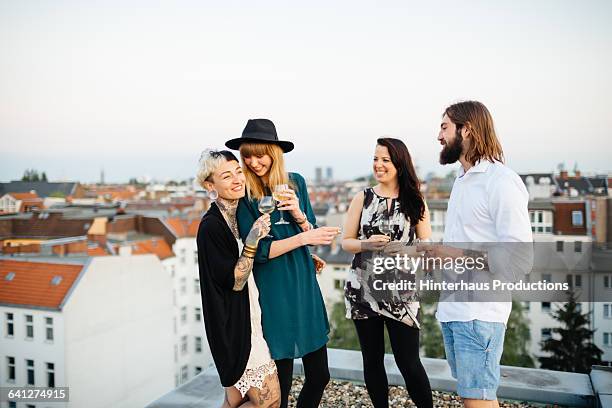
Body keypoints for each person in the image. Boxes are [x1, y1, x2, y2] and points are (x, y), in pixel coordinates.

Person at [226, 118, 340, 408]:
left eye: (259, 154)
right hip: (273, 291)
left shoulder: (296, 182)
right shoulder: (245, 196)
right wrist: (303, 240)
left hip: (303, 286)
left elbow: (310, 231)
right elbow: (260, 251)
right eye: (247, 155)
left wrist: (298, 213)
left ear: (274, 153)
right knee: (283, 383)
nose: (252, 162)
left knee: (319, 375)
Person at [432, 101, 532, 407]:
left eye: (445, 126)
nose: (438, 135)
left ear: (468, 130)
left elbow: (519, 259)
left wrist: (454, 255)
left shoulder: (501, 181)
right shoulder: (462, 181)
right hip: (454, 311)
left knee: (479, 401)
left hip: (480, 314)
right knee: (470, 398)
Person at [341, 138, 434, 408]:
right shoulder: (362, 197)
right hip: (363, 289)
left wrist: (404, 249)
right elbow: (346, 241)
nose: (378, 165)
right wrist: (366, 244)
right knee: (372, 360)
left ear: (399, 164)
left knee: (409, 362)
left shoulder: (416, 201)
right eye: (375, 159)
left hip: (402, 293)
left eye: (385, 160)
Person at [196, 149, 281, 408]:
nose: (237, 180)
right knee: (270, 401)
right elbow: (236, 280)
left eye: (238, 172)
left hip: (247, 319)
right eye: (226, 176)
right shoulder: (211, 226)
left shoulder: (238, 214)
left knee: (235, 400)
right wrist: (254, 237)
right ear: (210, 186)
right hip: (235, 329)